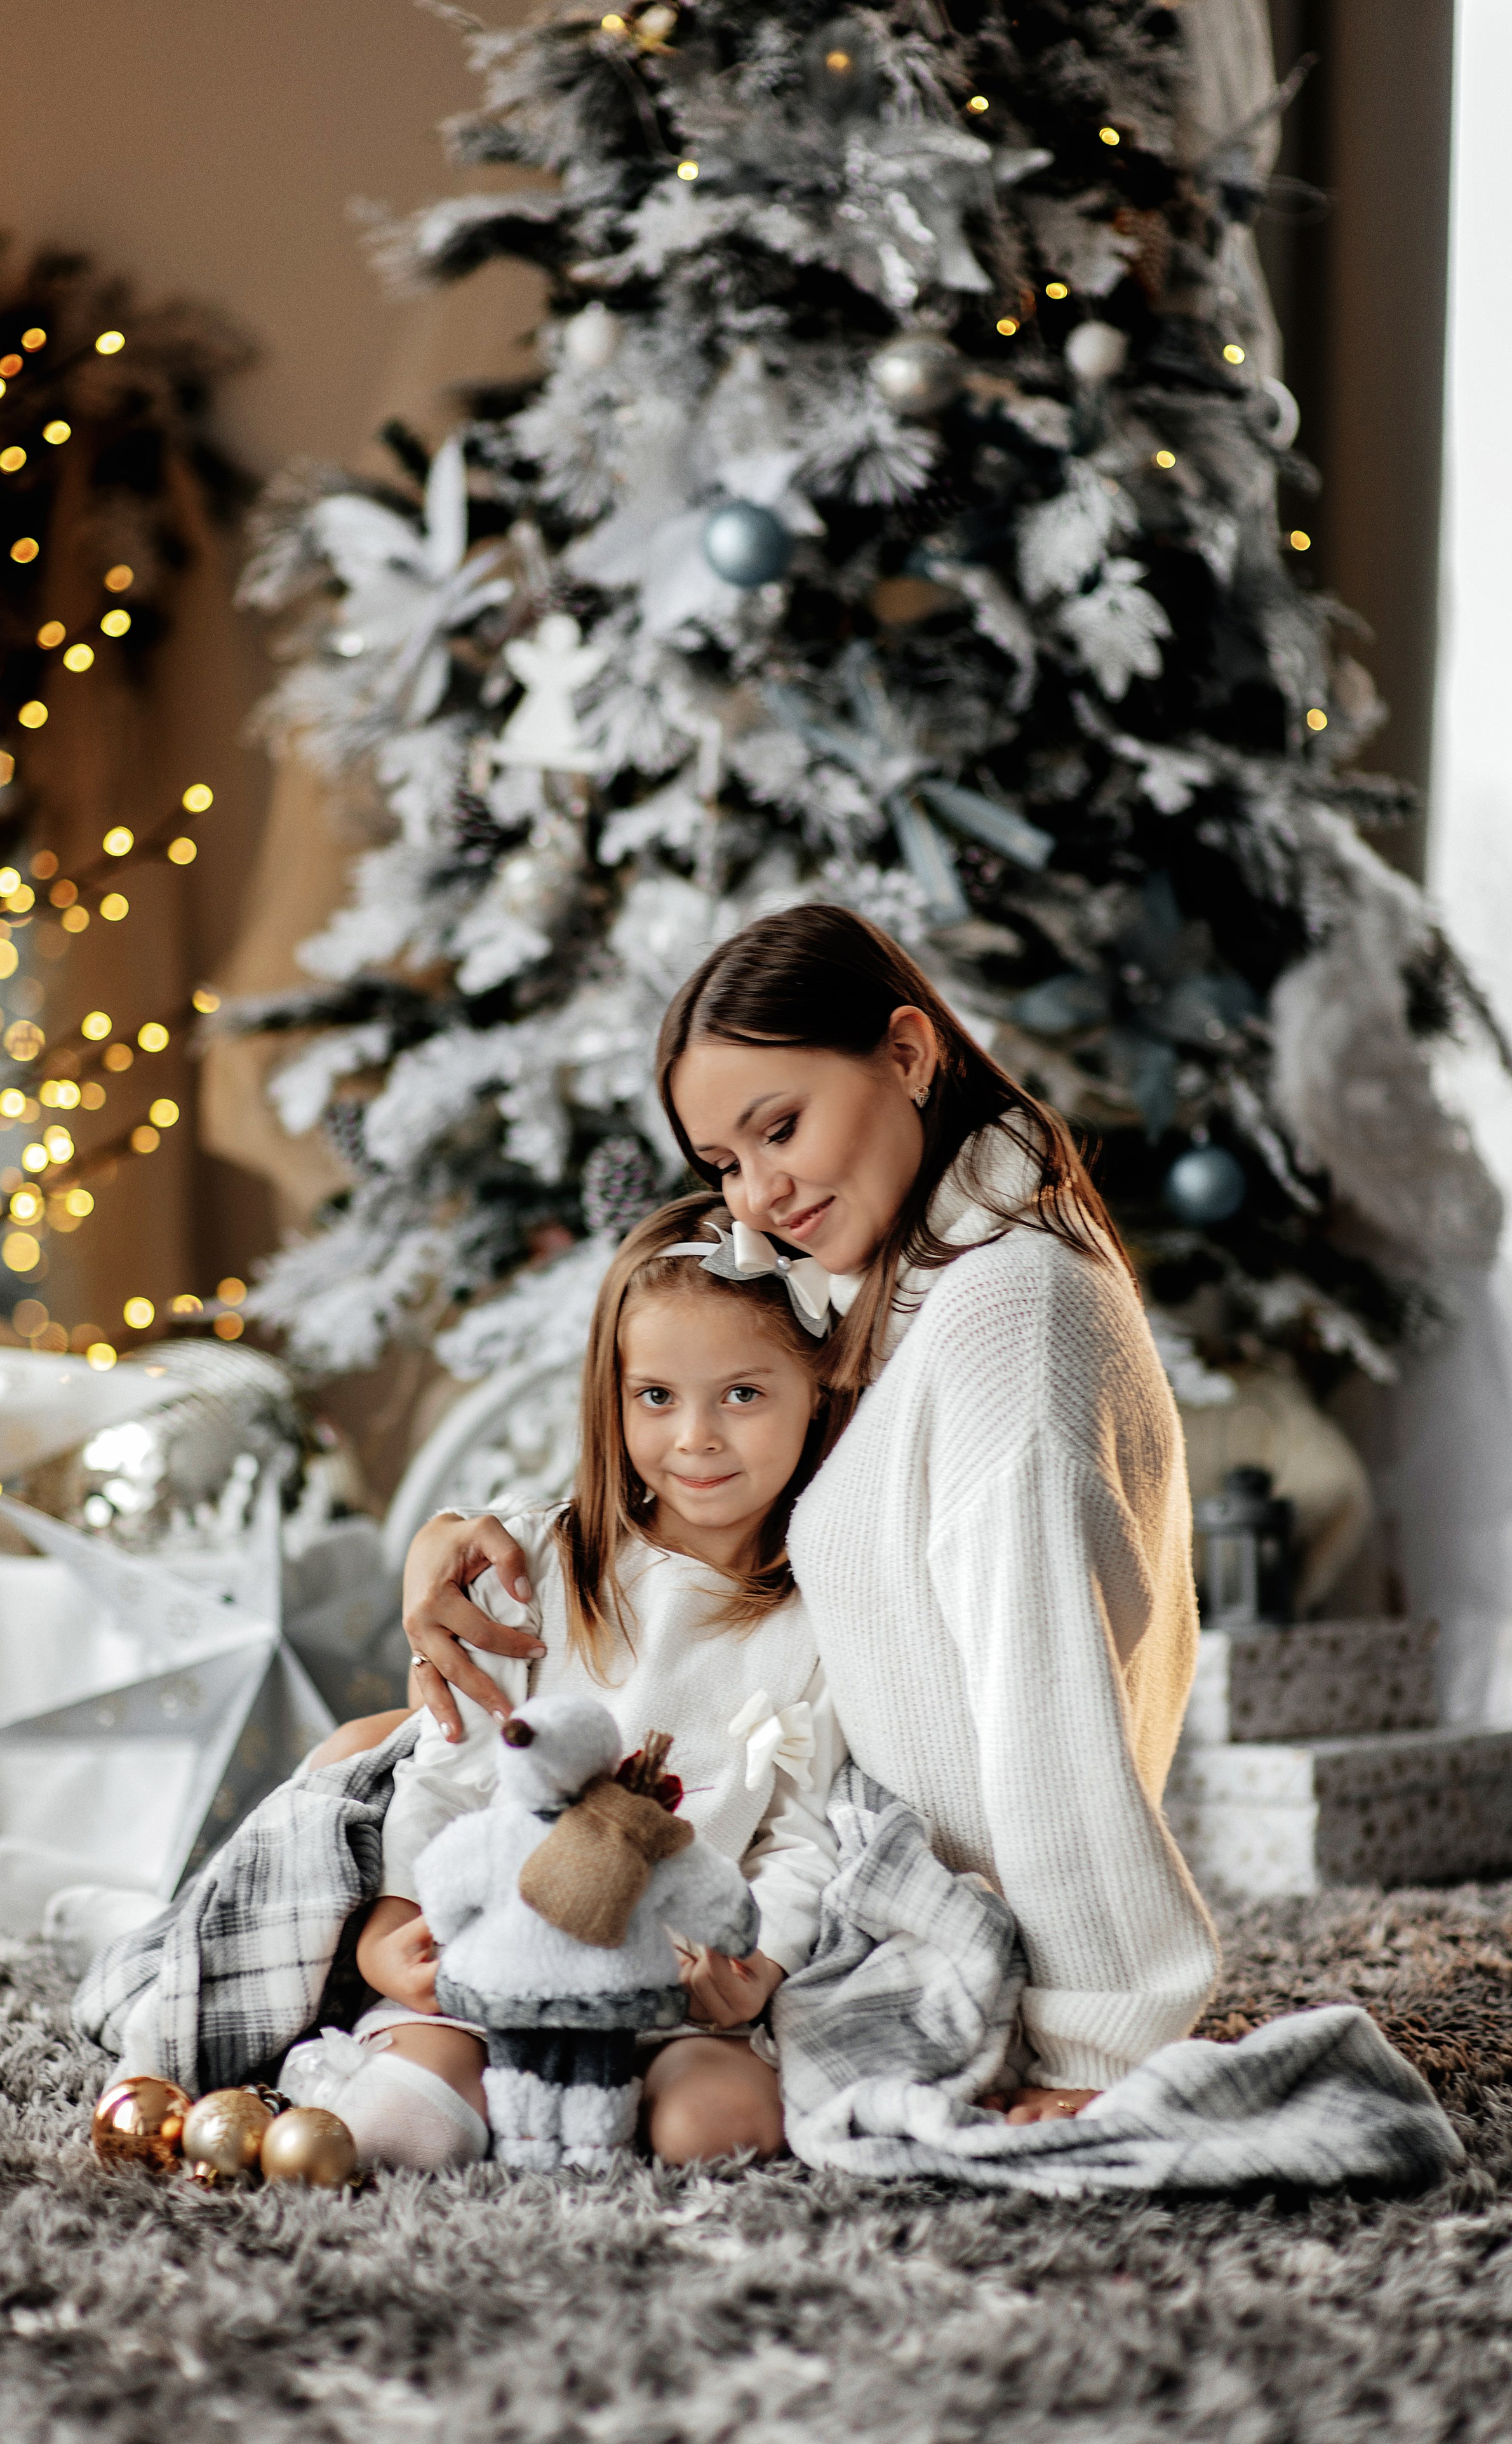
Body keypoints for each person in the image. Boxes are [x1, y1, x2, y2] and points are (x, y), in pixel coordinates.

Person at [397, 904, 1221, 2126]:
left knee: (382, 1808)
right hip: (820, 1815)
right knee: (377, 1764)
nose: (761, 1194)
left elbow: (1053, 1700)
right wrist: (465, 1530)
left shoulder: (1008, 1313)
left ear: (907, 1053)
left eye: (780, 1128)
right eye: (724, 1164)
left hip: (905, 1901)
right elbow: (703, 1476)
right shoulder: (895, 1287)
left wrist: (1093, 2046)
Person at [293, 1193, 848, 2173]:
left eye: (745, 1395)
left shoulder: (820, 1612)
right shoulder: (541, 1561)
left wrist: (758, 1968)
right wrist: (396, 1922)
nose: (697, 1439)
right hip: (497, 1963)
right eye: (657, 1398)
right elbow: (452, 1762)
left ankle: (587, 2104)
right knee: (400, 2128)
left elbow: (800, 1830)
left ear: (819, 1392)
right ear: (614, 1397)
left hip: (670, 1989)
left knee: (715, 2133)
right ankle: (499, 2095)